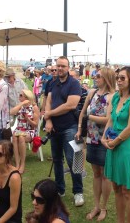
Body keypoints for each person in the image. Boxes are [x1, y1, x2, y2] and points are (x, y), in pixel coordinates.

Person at [42, 56, 85, 206]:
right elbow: (48, 101)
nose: (60, 68)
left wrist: (49, 114)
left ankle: (78, 192)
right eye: (58, 66)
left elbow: (70, 105)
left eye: (63, 66)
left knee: (74, 159)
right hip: (55, 128)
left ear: (68, 68)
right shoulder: (53, 83)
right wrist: (48, 120)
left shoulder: (74, 84)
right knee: (57, 159)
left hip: (70, 127)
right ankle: (60, 189)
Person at [103, 67, 130, 223]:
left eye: (122, 78)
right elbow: (111, 120)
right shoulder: (116, 98)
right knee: (117, 188)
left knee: (128, 191)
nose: (118, 80)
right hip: (112, 145)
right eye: (118, 77)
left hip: (124, 146)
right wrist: (104, 138)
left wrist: (115, 141)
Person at [77, 67, 115, 221]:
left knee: (106, 175)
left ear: (106, 78)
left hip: (104, 139)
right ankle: (96, 206)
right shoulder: (92, 93)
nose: (95, 78)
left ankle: (104, 207)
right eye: (95, 75)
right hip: (91, 138)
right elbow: (82, 113)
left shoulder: (113, 96)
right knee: (96, 174)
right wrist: (80, 128)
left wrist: (91, 117)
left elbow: (109, 119)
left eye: (98, 76)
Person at [10, 90, 39, 174]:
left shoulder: (34, 108)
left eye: (21, 95)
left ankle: (22, 164)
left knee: (21, 137)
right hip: (19, 129)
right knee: (15, 136)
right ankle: (17, 163)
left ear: (26, 97)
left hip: (29, 130)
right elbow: (11, 112)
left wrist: (28, 119)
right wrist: (21, 104)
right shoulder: (20, 106)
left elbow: (35, 125)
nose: (19, 97)